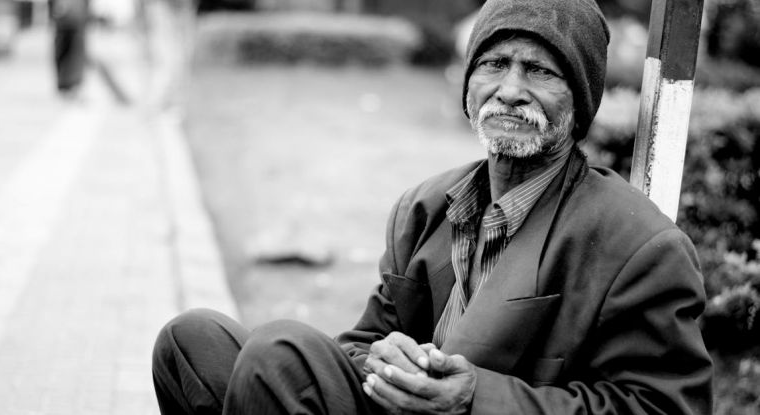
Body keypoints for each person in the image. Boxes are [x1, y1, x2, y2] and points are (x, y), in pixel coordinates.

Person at [151, 0, 714, 413]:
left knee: (279, 355)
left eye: (540, 71)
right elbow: (363, 343)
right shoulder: (425, 208)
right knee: (192, 342)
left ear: (581, 100)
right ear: (468, 84)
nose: (510, 90)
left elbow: (662, 406)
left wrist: (476, 398)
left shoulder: (639, 244)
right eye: (494, 65)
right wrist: (382, 360)